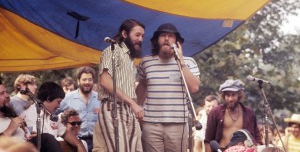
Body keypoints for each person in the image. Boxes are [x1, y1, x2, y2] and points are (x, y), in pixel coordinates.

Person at [136, 23, 201, 152]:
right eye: (163, 35)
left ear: (177, 41)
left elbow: (194, 88)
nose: (166, 39)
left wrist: (181, 62)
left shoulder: (188, 62)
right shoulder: (146, 62)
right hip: (150, 124)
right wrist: (135, 107)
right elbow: (142, 87)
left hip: (178, 124)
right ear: (156, 40)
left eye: (171, 36)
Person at [93, 19, 145, 152]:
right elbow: (105, 81)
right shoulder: (113, 50)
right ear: (125, 34)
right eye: (137, 35)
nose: (141, 39)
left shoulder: (130, 57)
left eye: (142, 36)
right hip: (113, 108)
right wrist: (133, 104)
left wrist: (133, 105)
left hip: (128, 110)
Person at [20, 82, 87, 152]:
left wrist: (79, 144)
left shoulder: (52, 116)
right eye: (58, 102)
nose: (59, 106)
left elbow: (65, 133)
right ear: (48, 99)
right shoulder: (29, 114)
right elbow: (38, 140)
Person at [0, 81, 63, 152]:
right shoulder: (12, 124)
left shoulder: (11, 118)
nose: (7, 95)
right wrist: (10, 129)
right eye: (2, 93)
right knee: (47, 138)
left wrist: (33, 137)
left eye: (6, 92)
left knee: (43, 137)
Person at [204, 79, 262, 152]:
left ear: (239, 95)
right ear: (224, 96)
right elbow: (208, 140)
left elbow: (257, 138)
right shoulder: (215, 112)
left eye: (233, 95)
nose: (230, 99)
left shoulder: (249, 113)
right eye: (227, 95)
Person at [58, 67, 100, 152]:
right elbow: (53, 114)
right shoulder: (68, 98)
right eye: (84, 79)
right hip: (76, 141)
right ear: (78, 81)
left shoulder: (99, 98)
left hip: (97, 142)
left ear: (93, 81)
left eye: (90, 79)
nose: (87, 82)